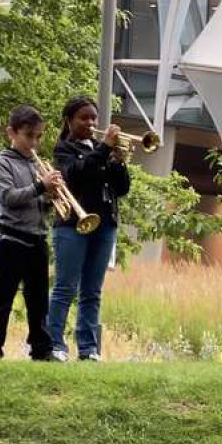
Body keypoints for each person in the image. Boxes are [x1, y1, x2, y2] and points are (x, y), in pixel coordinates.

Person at [46, 96, 130, 362]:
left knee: (92, 291)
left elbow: (122, 188)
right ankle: (54, 344)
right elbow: (76, 174)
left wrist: (118, 161)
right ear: (69, 121)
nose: (91, 123)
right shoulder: (63, 150)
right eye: (84, 118)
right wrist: (105, 148)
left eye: (94, 118)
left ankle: (89, 348)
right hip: (72, 225)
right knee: (65, 288)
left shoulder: (100, 149)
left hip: (104, 225)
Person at [0, 105, 62, 361]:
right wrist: (40, 187)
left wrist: (52, 196)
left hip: (37, 238)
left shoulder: (36, 165)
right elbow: (8, 197)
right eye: (29, 136)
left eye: (39, 136)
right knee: (2, 298)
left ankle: (42, 349)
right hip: (10, 239)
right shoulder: (1, 163)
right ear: (11, 133)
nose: (34, 143)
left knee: (38, 300)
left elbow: (39, 204)